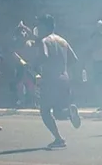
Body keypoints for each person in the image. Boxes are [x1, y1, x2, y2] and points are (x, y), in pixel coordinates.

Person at [34, 14, 82, 147]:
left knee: (44, 111)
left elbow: (44, 55)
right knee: (58, 111)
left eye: (39, 25)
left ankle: (59, 138)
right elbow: (74, 59)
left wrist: (36, 65)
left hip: (50, 79)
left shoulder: (44, 41)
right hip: (64, 78)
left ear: (44, 26)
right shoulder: (63, 41)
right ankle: (69, 112)